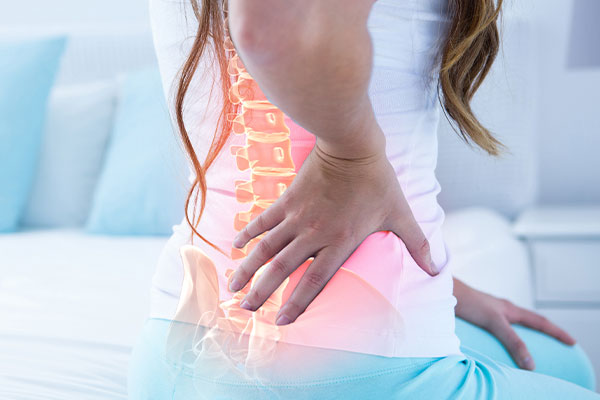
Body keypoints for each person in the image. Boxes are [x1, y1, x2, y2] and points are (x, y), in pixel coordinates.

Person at [128, 0, 599, 398]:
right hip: (356, 370)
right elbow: (272, 25)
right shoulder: (347, 147)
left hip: (170, 352)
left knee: (564, 361)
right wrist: (349, 156)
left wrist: (437, 283)